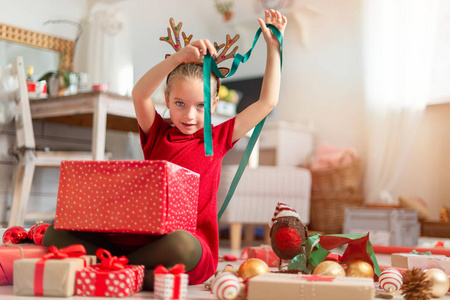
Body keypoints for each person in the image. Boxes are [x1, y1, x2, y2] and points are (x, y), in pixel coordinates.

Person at [43, 9, 287, 290]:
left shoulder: (219, 138)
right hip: (144, 239)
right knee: (54, 232)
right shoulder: (157, 132)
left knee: (181, 242)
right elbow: (140, 94)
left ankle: (115, 269)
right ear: (168, 100)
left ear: (215, 104)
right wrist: (177, 58)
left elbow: (267, 101)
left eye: (201, 106)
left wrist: (273, 48)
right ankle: (135, 273)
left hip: (187, 247)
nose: (190, 115)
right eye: (180, 103)